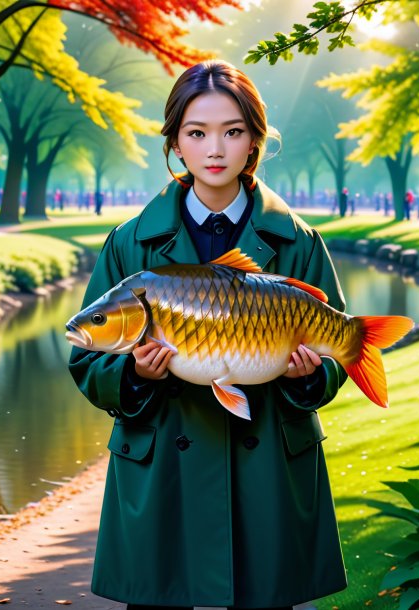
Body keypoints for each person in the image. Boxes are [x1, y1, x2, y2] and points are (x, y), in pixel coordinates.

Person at [68, 60, 348, 610]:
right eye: (197, 133)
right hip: (162, 469)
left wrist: (311, 376)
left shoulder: (299, 242)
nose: (214, 149)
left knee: (264, 600)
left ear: (254, 142)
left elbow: (337, 351)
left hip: (265, 464)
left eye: (232, 131)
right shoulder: (130, 243)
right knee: (160, 600)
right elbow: (86, 360)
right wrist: (132, 372)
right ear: (175, 142)